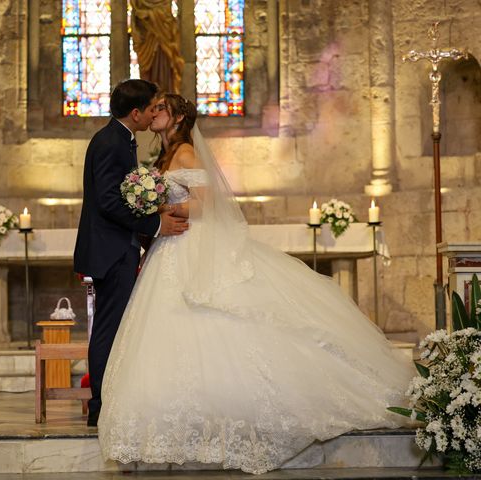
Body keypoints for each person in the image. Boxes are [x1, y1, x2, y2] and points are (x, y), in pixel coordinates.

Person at [97, 93, 415, 474]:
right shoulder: (165, 156)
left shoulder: (185, 152)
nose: (155, 113)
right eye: (154, 107)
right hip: (170, 246)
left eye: (162, 108)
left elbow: (204, 204)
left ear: (179, 117)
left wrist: (162, 208)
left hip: (186, 244)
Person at [74, 81, 189, 428]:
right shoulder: (111, 142)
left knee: (115, 327)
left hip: (117, 247)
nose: (155, 112)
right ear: (136, 113)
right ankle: (100, 406)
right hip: (111, 250)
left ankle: (108, 401)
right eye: (152, 107)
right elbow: (110, 201)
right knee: (108, 329)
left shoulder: (120, 139)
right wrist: (154, 225)